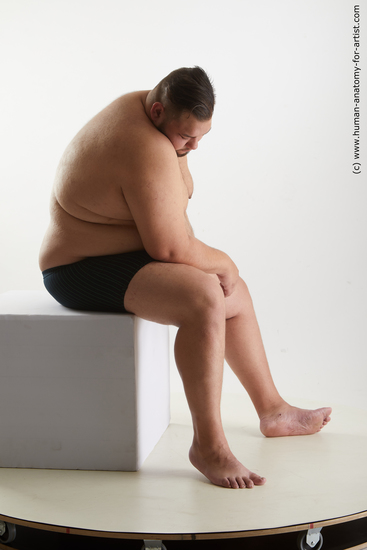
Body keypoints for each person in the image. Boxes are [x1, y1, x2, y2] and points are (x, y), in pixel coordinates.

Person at [39, 66, 332, 489]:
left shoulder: (157, 121)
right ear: (158, 111)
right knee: (206, 296)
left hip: (123, 253)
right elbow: (169, 248)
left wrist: (223, 270)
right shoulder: (140, 142)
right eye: (186, 136)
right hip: (77, 269)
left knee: (234, 293)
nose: (194, 145)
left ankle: (274, 410)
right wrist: (224, 261)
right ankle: (208, 446)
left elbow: (169, 228)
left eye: (202, 136)